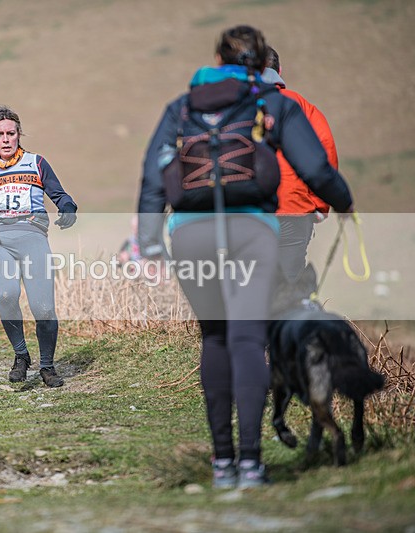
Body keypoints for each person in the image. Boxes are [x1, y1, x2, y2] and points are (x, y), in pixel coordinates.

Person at [137, 26, 354, 489]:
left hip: (190, 235)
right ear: (262, 63)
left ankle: (221, 464)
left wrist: (150, 238)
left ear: (216, 59)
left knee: (214, 339)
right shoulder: (274, 103)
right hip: (252, 231)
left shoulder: (182, 107)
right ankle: (252, 464)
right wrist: (343, 202)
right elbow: (316, 168)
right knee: (246, 337)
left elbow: (153, 173)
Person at [0, 105, 77, 388]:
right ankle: (21, 356)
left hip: (33, 238)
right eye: (0, 134)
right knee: (7, 295)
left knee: (43, 307)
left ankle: (47, 366)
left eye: (11, 133)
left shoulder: (37, 163)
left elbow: (59, 194)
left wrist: (68, 207)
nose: (6, 139)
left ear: (19, 134)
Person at [262, 45, 340, 305]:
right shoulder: (305, 108)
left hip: (246, 211)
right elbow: (325, 154)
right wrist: (319, 205)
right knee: (289, 285)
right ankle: (281, 343)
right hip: (294, 208)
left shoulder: (235, 107)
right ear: (280, 71)